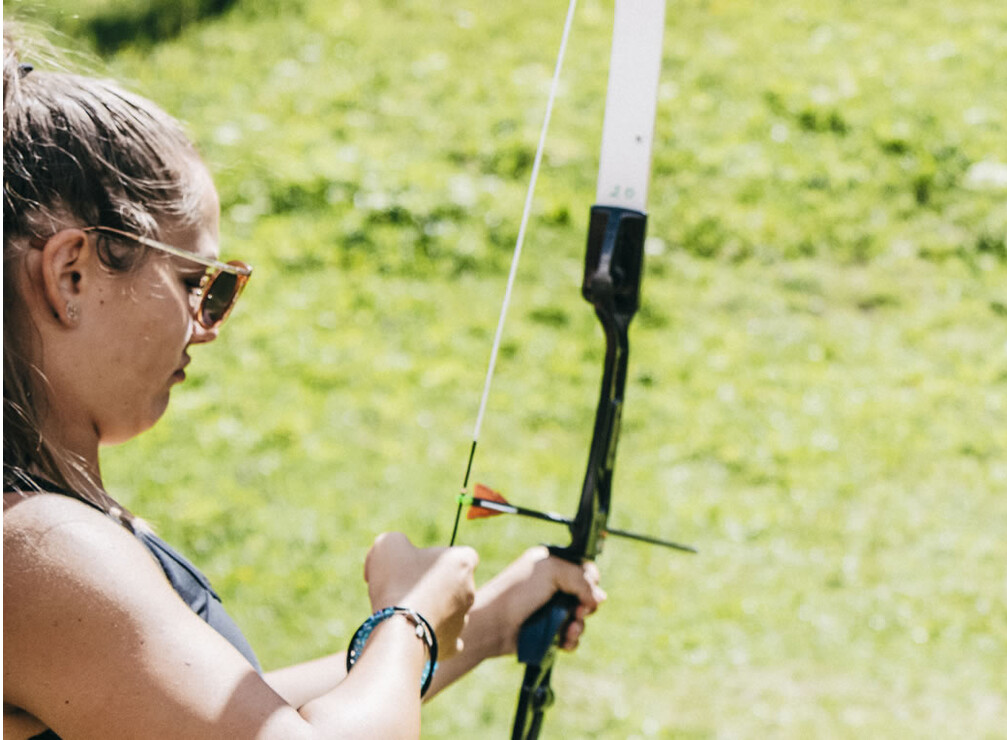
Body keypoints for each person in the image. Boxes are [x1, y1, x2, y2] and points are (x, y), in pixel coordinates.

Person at [1, 38, 607, 739]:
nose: (208, 327)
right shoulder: (42, 551)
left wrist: (482, 625)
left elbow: (220, 712)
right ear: (72, 274)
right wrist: (407, 621)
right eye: (201, 284)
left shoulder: (43, 541)